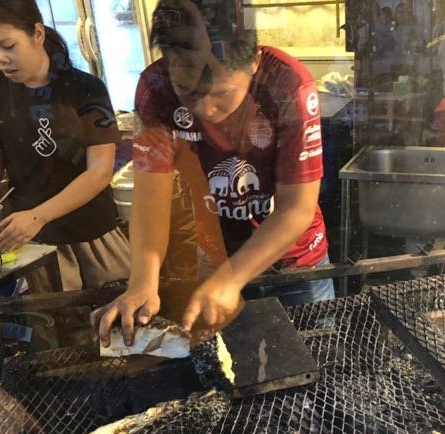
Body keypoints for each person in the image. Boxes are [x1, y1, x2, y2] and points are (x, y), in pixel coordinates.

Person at [93, 0, 334, 345]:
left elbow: (297, 208)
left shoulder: (286, 84)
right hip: (215, 256)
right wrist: (142, 283)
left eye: (222, 93)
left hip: (295, 266)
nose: (205, 109)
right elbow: (150, 203)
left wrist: (231, 278)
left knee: (314, 366)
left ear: (253, 62)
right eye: (188, 92)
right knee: (225, 375)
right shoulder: (156, 88)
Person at [0, 0, 130, 291]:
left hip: (93, 235)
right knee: (55, 329)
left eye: (8, 45)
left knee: (115, 325)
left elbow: (99, 171)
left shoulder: (85, 88)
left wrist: (39, 215)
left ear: (37, 34)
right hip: (32, 243)